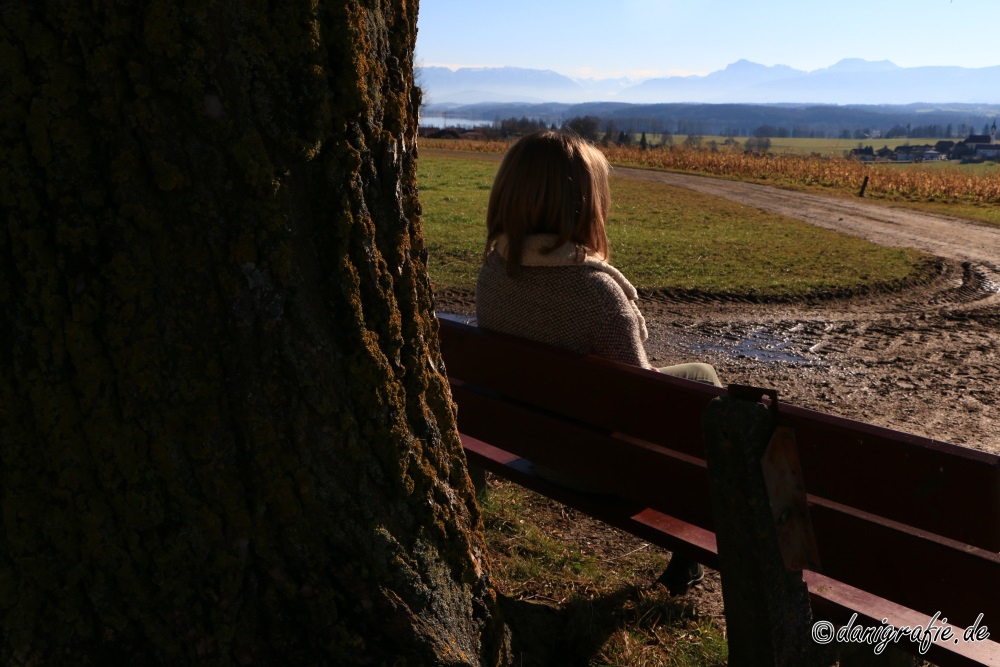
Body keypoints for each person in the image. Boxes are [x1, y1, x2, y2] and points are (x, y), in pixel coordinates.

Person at [474, 129, 721, 595]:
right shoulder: (598, 294)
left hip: (536, 447)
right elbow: (642, 405)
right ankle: (688, 554)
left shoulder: (495, 273)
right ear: (585, 203)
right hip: (600, 470)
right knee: (701, 379)